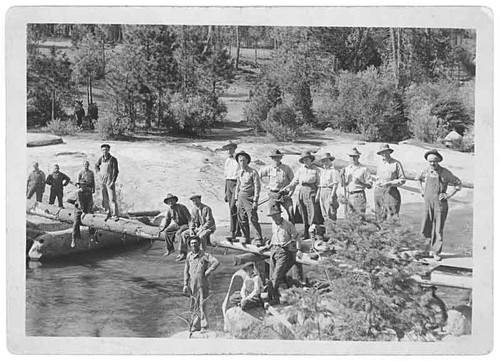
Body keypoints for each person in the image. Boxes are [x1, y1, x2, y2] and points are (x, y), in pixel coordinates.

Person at [418, 149, 461, 261]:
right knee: (425, 226)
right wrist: (421, 190)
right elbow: (417, 179)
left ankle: (436, 251)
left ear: (438, 161)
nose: (432, 164)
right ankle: (424, 250)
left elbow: (458, 184)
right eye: (430, 162)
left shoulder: (445, 172)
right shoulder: (426, 171)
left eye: (435, 161)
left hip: (440, 204)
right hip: (427, 203)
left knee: (438, 229)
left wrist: (448, 195)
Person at [259, 206, 302, 304]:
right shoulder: (273, 224)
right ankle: (272, 296)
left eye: (275, 216)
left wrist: (299, 249)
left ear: (279, 214)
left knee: (276, 275)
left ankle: (271, 298)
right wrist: (268, 246)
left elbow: (296, 237)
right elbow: (274, 236)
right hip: (274, 249)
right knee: (271, 275)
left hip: (283, 251)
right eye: (272, 216)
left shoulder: (288, 224)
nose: (274, 218)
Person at [183, 236, 220, 332]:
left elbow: (216, 262)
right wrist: (185, 284)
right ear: (190, 245)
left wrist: (208, 271)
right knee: (193, 304)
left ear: (199, 244)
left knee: (202, 304)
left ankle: (204, 326)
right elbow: (186, 270)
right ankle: (195, 325)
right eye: (192, 243)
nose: (193, 245)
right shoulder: (189, 256)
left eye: (195, 243)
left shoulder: (205, 255)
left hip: (202, 283)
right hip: (192, 284)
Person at [283, 150, 321, 239]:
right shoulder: (300, 170)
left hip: (312, 191)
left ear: (311, 160)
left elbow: (319, 184)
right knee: (303, 212)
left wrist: (318, 195)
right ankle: (306, 232)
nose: (306, 161)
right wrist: (287, 187)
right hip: (302, 191)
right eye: (304, 160)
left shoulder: (316, 170)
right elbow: (295, 181)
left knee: (313, 212)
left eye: (307, 159)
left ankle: (314, 234)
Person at [234, 150, 264, 245]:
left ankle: (258, 238)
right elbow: (238, 185)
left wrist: (255, 200)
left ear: (247, 161)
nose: (241, 163)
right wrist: (236, 199)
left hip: (250, 197)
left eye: (243, 160)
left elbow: (257, 187)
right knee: (241, 218)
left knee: (253, 218)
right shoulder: (239, 172)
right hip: (240, 197)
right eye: (240, 161)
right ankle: (245, 237)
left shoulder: (253, 172)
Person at [259, 149, 295, 223]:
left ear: (281, 158)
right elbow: (258, 176)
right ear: (272, 158)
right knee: (275, 214)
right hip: (273, 194)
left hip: (284, 194)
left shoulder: (286, 168)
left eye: (278, 157)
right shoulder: (268, 168)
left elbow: (293, 182)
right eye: (274, 157)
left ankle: (292, 232)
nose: (276, 159)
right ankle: (278, 232)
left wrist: (290, 193)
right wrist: (266, 186)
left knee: (291, 212)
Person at [374, 144, 406, 222]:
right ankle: (381, 232)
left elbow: (402, 179)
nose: (384, 154)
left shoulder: (396, 163)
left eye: (386, 152)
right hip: (379, 191)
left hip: (391, 191)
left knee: (393, 214)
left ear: (389, 152)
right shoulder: (380, 164)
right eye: (382, 153)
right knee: (379, 214)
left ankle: (393, 232)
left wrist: (390, 183)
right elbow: (377, 178)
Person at [340, 147, 372, 219]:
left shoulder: (364, 169)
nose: (353, 158)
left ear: (358, 157)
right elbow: (343, 185)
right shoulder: (347, 169)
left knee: (360, 217)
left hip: (359, 195)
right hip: (349, 195)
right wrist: (341, 176)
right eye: (351, 156)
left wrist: (361, 183)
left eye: (354, 156)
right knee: (350, 217)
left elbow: (370, 185)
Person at [157, 193, 191, 259]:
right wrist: (163, 228)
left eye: (172, 200)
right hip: (177, 225)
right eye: (169, 201)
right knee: (167, 231)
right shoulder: (169, 210)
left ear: (175, 200)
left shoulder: (182, 207)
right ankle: (170, 249)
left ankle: (182, 253)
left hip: (185, 224)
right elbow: (167, 220)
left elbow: (189, 218)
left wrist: (191, 227)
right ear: (167, 203)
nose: (170, 202)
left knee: (179, 234)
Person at [95, 144, 119, 220]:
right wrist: (98, 173)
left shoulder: (113, 159)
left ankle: (115, 215)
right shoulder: (100, 159)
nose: (104, 151)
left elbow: (116, 171)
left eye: (106, 149)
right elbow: (96, 166)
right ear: (101, 151)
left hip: (109, 180)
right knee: (104, 198)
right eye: (103, 150)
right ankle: (107, 212)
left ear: (109, 150)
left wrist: (113, 181)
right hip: (102, 181)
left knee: (112, 199)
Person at [223, 141, 241, 238]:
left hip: (236, 183)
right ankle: (235, 231)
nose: (229, 151)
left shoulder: (238, 159)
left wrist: (238, 188)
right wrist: (226, 191)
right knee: (231, 208)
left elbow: (240, 174)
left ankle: (234, 230)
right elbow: (226, 176)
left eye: (230, 148)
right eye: (227, 149)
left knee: (233, 206)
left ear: (234, 148)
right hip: (229, 183)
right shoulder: (227, 160)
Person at [315, 152, 340, 222]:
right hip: (322, 192)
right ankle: (327, 231)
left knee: (331, 212)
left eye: (327, 160)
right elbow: (320, 185)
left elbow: (335, 185)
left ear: (330, 161)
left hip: (329, 191)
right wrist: (317, 195)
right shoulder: (321, 172)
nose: (325, 162)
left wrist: (332, 196)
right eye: (323, 161)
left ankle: (333, 231)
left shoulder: (334, 171)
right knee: (324, 214)